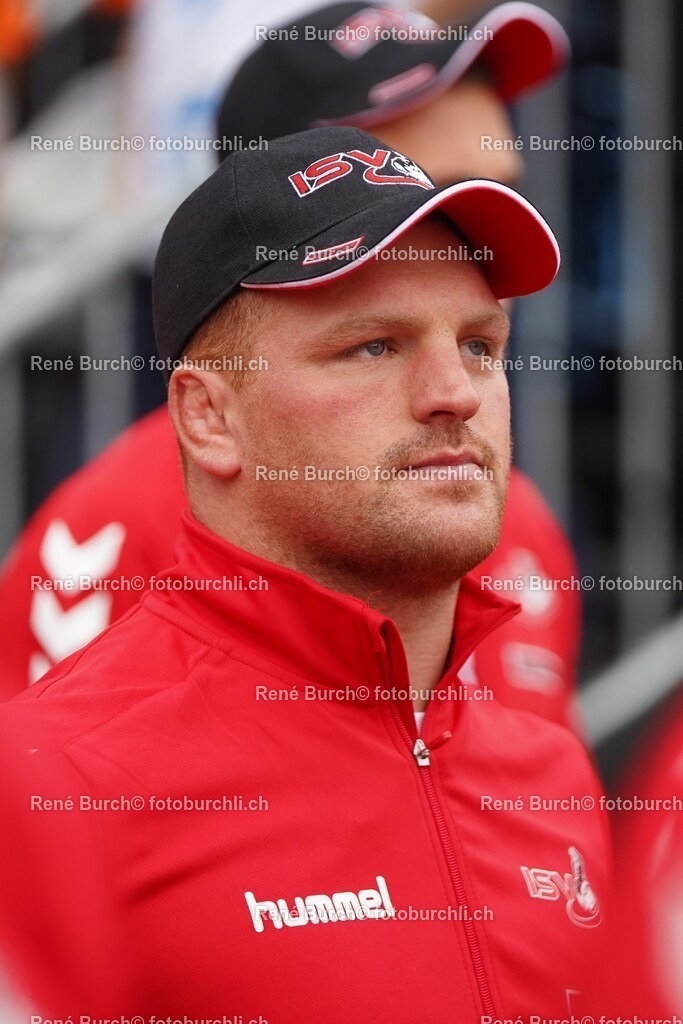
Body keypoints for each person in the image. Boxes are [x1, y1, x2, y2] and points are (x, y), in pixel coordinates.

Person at [2, 125, 610, 1021]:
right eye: (374, 347)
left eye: (481, 345)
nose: (456, 392)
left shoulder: (552, 770)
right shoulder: (52, 784)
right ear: (209, 417)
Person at [0, 1, 580, 731]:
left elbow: (542, 817)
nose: (474, 261)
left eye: (502, 194)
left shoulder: (514, 517)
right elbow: (43, 820)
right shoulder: (107, 529)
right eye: (430, 206)